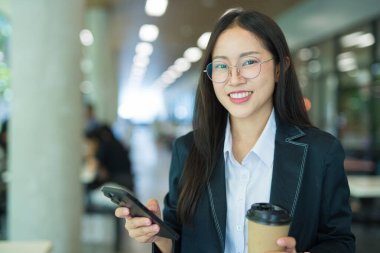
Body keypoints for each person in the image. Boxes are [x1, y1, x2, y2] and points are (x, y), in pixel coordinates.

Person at [115, 8, 355, 253]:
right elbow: (178, 243)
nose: (234, 78)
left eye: (249, 62)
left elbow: (340, 242)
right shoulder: (188, 151)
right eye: (221, 66)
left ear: (279, 67)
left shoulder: (320, 152)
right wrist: (157, 236)